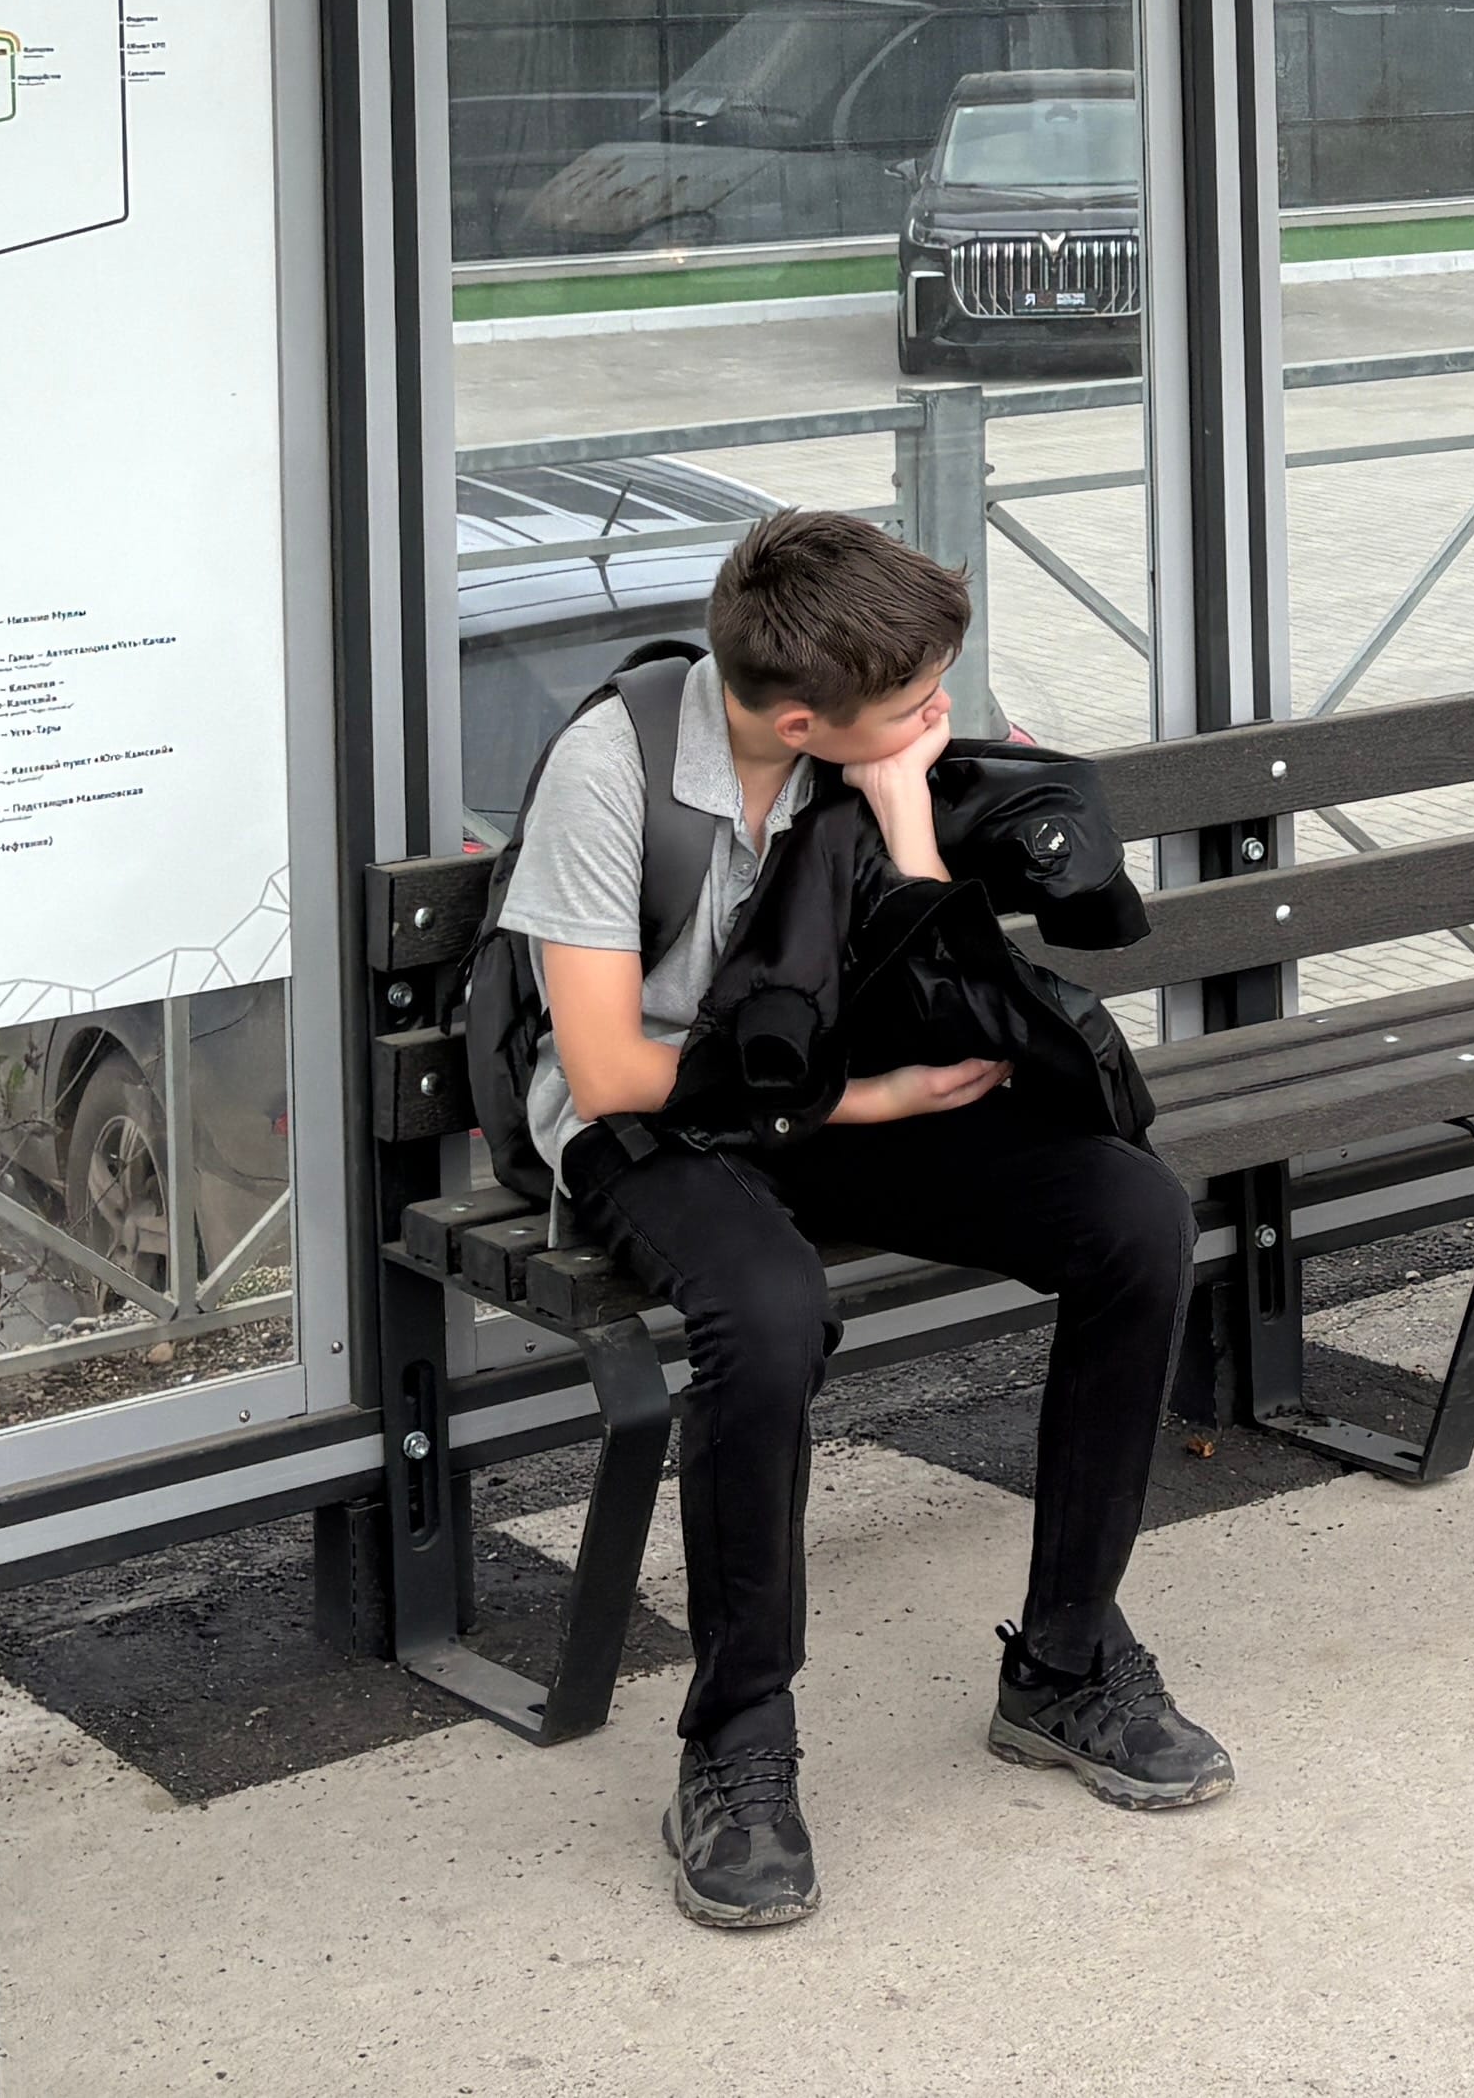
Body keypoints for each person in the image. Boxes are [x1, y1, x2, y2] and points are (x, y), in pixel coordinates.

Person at [506, 508, 1228, 1931]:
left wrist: (904, 815)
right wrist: (874, 1103)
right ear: (797, 717)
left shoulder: (869, 734)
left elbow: (957, 991)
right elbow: (608, 1072)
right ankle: (735, 1749)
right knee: (769, 1314)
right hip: (661, 1124)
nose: (940, 719)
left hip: (832, 1092)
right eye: (914, 708)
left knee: (1134, 1215)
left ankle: (1066, 1664)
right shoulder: (612, 772)